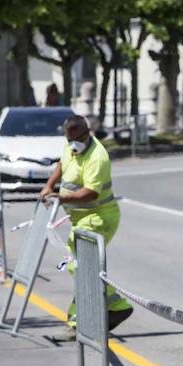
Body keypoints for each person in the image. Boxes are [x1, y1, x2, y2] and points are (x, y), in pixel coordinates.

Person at [40, 115, 133, 339]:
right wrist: (49, 185)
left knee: (82, 268)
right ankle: (115, 307)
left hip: (99, 217)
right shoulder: (71, 146)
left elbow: (91, 192)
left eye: (79, 137)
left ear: (87, 131)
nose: (74, 144)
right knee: (81, 268)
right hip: (81, 219)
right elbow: (63, 163)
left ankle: (80, 323)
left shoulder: (97, 156)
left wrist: (60, 198)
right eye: (69, 138)